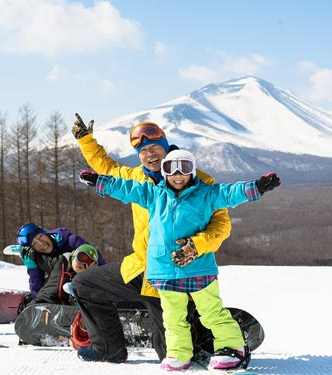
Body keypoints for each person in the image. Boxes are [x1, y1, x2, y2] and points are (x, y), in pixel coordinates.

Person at [79, 149, 281, 370]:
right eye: (170, 168)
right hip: (164, 269)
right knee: (173, 318)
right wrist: (100, 182)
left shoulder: (205, 194)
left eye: (184, 168)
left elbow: (231, 193)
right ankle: (178, 352)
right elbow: (127, 189)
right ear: (164, 172)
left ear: (192, 171)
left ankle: (233, 347)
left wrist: (257, 187)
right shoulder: (154, 194)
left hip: (197, 268)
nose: (177, 175)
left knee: (211, 312)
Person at [71, 114, 232, 363]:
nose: (150, 154)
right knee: (84, 284)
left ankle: (209, 333)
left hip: (176, 273)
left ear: (167, 147)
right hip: (141, 267)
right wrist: (85, 140)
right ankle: (108, 348)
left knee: (171, 355)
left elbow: (221, 225)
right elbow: (107, 168)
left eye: (155, 147)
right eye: (142, 150)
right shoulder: (136, 178)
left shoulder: (199, 181)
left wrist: (196, 246)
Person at [16, 223, 106, 307]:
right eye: (34, 243)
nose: (41, 243)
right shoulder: (39, 256)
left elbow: (98, 264)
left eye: (40, 236)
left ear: (45, 233)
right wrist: (32, 266)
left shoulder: (72, 242)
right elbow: (37, 286)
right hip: (60, 296)